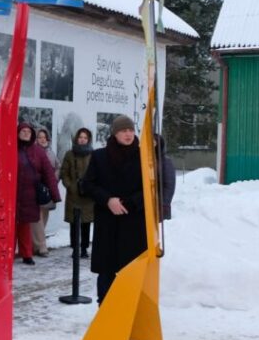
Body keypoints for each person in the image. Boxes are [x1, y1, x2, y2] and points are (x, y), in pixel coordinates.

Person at [79, 114, 146, 305]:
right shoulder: (100, 156)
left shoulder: (143, 156)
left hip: (133, 222)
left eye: (131, 130)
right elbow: (88, 185)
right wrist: (108, 200)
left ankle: (129, 311)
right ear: (115, 133)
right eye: (123, 130)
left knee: (131, 270)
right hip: (107, 222)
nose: (128, 134)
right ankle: (105, 309)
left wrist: (130, 202)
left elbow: (151, 189)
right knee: (107, 270)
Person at [15, 121, 60, 265]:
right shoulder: (11, 148)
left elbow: (48, 173)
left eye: (28, 132)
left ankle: (27, 254)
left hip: (30, 195)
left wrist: (55, 195)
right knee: (11, 227)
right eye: (23, 131)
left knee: (25, 226)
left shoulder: (38, 151)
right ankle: (8, 255)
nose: (26, 134)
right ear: (17, 133)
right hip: (13, 194)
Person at [60, 127, 95, 257]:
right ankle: (75, 249)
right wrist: (70, 186)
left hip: (88, 195)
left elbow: (97, 173)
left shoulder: (93, 154)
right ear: (76, 138)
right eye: (80, 137)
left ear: (89, 139)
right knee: (74, 224)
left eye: (85, 138)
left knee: (86, 224)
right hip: (73, 195)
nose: (82, 140)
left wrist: (92, 187)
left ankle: (84, 248)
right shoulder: (70, 154)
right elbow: (64, 172)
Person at [31, 127, 60, 256]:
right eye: (39, 137)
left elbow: (58, 167)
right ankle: (41, 246)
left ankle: (36, 245)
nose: (42, 140)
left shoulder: (51, 152)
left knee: (44, 217)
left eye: (44, 137)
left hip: (48, 190)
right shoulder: (33, 152)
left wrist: (54, 178)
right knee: (37, 219)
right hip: (37, 189)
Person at [155, 133, 177, 220]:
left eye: (155, 143)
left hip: (161, 203)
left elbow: (169, 184)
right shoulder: (147, 159)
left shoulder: (165, 162)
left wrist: (164, 204)